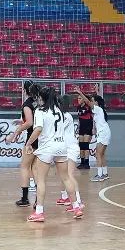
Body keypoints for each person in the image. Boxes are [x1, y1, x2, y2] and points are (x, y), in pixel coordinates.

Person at [24, 86, 83, 221]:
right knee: (66, 178)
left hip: (47, 147)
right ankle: (76, 207)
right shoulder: (59, 111)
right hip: (61, 146)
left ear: (42, 98)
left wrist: (28, 143)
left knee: (41, 180)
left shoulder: (40, 110)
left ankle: (39, 212)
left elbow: (38, 129)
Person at [7, 81, 40, 207]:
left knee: (25, 167)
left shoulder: (27, 104)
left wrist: (15, 132)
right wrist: (21, 121)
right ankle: (38, 199)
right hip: (41, 138)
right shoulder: (38, 103)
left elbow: (30, 122)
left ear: (24, 90)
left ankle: (25, 198)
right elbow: (34, 119)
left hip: (32, 138)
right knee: (35, 168)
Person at [77, 90, 111, 182]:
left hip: (103, 133)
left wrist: (80, 93)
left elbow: (87, 102)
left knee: (98, 154)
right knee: (102, 154)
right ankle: (105, 173)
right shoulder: (100, 110)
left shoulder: (98, 109)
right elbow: (98, 99)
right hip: (105, 132)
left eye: (93, 101)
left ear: (96, 102)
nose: (91, 102)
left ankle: (100, 175)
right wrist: (97, 91)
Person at [74, 90, 94, 169]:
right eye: (78, 98)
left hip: (88, 127)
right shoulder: (78, 107)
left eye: (80, 98)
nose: (78, 100)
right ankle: (82, 162)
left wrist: (80, 93)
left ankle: (87, 163)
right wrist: (78, 127)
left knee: (86, 146)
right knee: (81, 146)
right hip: (81, 127)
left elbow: (87, 101)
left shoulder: (88, 106)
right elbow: (79, 118)